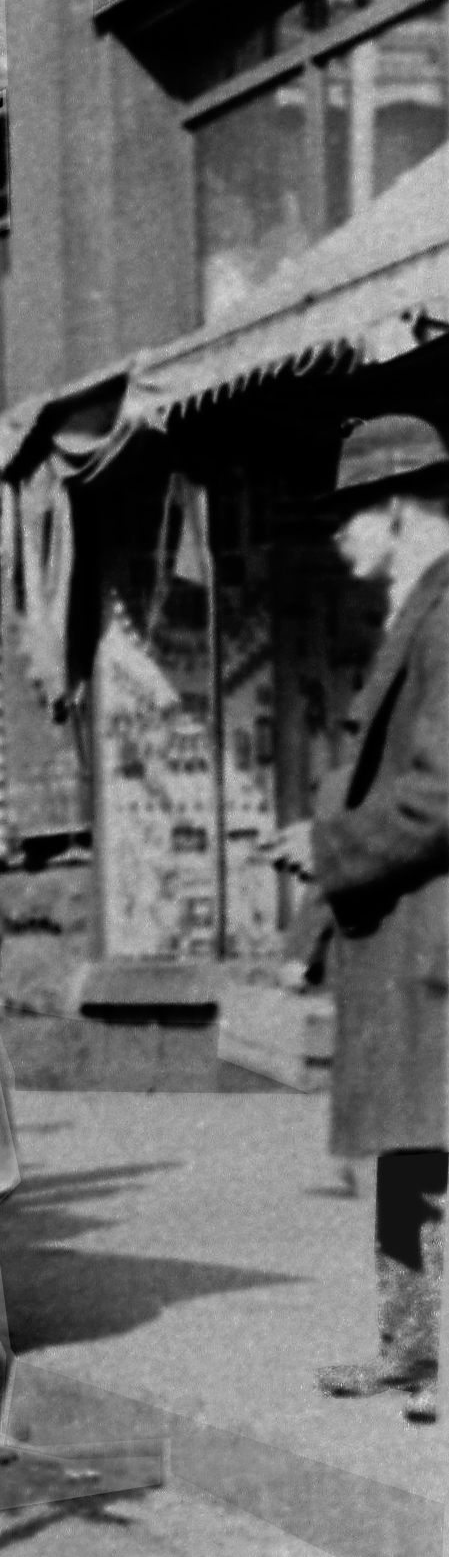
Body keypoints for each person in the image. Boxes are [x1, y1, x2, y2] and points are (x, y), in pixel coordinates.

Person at [282, 415, 449, 1423]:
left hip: (427, 928)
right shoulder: (419, 611)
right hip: (409, 929)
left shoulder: (444, 616)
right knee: (409, 1149)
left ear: (392, 509)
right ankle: (408, 1353)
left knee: (427, 1148)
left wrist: (326, 847)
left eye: (348, 517)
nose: (339, 540)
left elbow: (439, 797)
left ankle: (425, 1358)